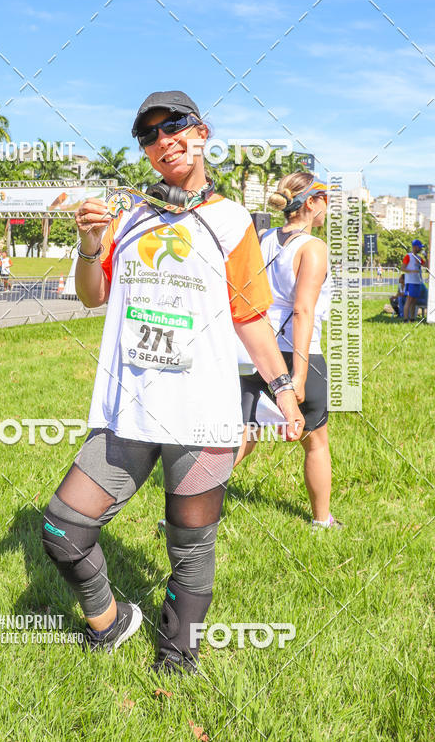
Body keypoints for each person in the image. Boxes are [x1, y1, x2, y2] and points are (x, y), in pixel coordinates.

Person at [41, 90, 304, 674]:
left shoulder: (234, 221)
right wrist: (89, 246)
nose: (164, 140)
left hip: (203, 413)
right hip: (126, 411)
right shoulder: (127, 217)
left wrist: (284, 390)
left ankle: (176, 658)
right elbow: (93, 295)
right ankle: (110, 622)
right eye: (150, 135)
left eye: (175, 126)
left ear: (201, 131)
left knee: (190, 549)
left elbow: (251, 317)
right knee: (62, 530)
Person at [233, 172, 341, 530]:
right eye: (325, 198)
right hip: (296, 353)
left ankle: (182, 514)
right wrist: (298, 375)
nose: (328, 206)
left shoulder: (262, 238)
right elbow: (302, 309)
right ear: (310, 202)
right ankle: (322, 521)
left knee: (241, 437)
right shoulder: (313, 247)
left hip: (254, 351)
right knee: (316, 441)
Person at [402, 239, 427, 322]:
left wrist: (426, 257)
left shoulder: (419, 258)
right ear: (415, 247)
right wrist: (412, 271)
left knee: (414, 301)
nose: (420, 249)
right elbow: (403, 268)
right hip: (410, 282)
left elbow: (426, 265)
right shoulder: (408, 256)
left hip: (417, 282)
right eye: (419, 247)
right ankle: (405, 319)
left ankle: (412, 319)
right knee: (409, 301)